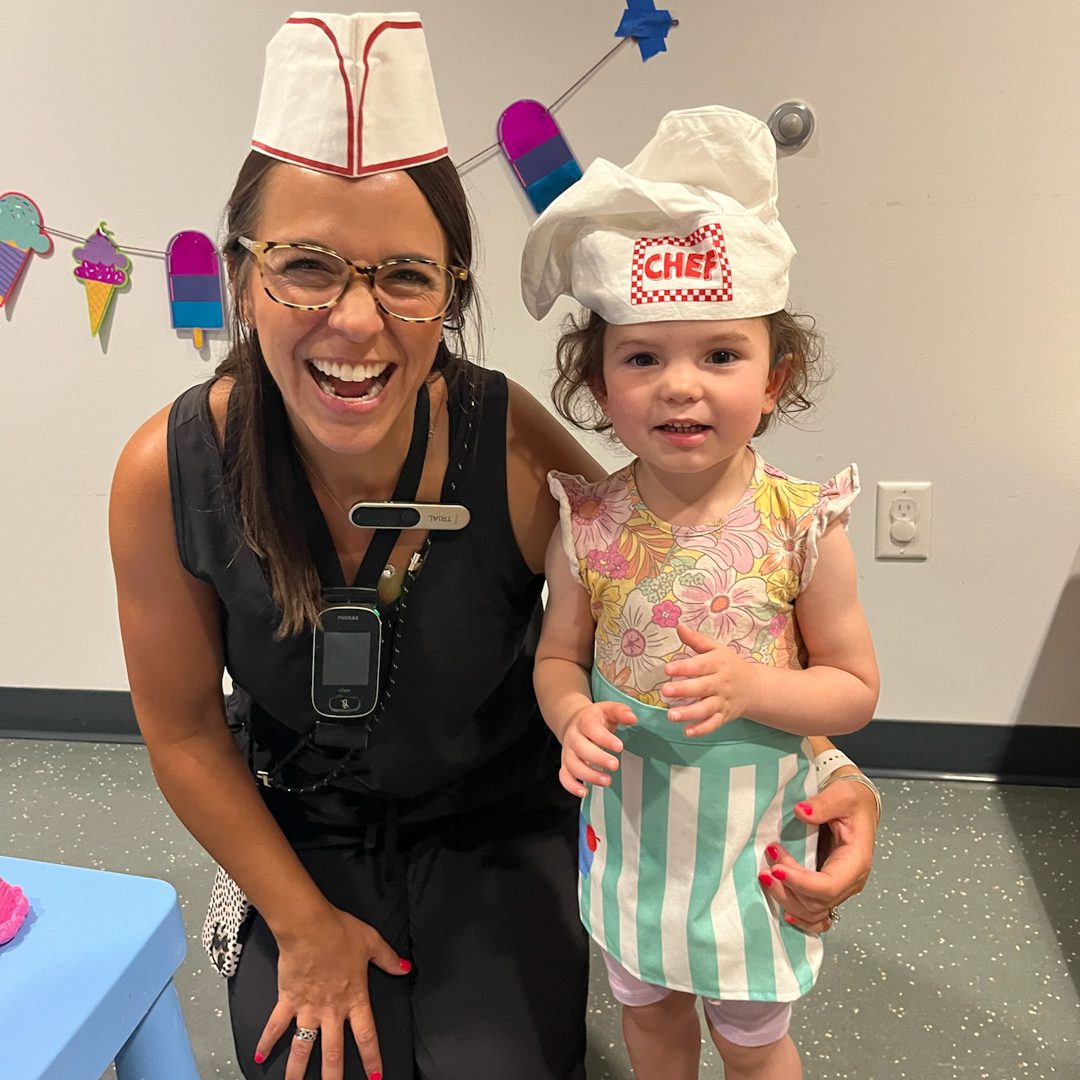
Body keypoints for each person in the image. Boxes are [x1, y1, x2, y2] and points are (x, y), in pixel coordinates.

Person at [108, 13, 881, 1080]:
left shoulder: (511, 448)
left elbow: (679, 609)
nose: (355, 321)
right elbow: (187, 733)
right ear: (243, 278)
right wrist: (303, 925)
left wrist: (834, 770)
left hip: (497, 815)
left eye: (407, 277)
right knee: (311, 1063)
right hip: (298, 827)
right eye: (304, 267)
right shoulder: (170, 471)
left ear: (453, 295)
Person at [523, 106, 881, 1080]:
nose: (682, 386)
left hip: (754, 833)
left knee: (754, 1039)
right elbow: (558, 655)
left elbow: (853, 688)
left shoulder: (804, 523)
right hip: (635, 828)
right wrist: (569, 715)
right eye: (643, 357)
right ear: (597, 385)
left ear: (776, 377)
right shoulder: (586, 521)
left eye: (721, 354)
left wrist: (758, 689)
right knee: (651, 1021)